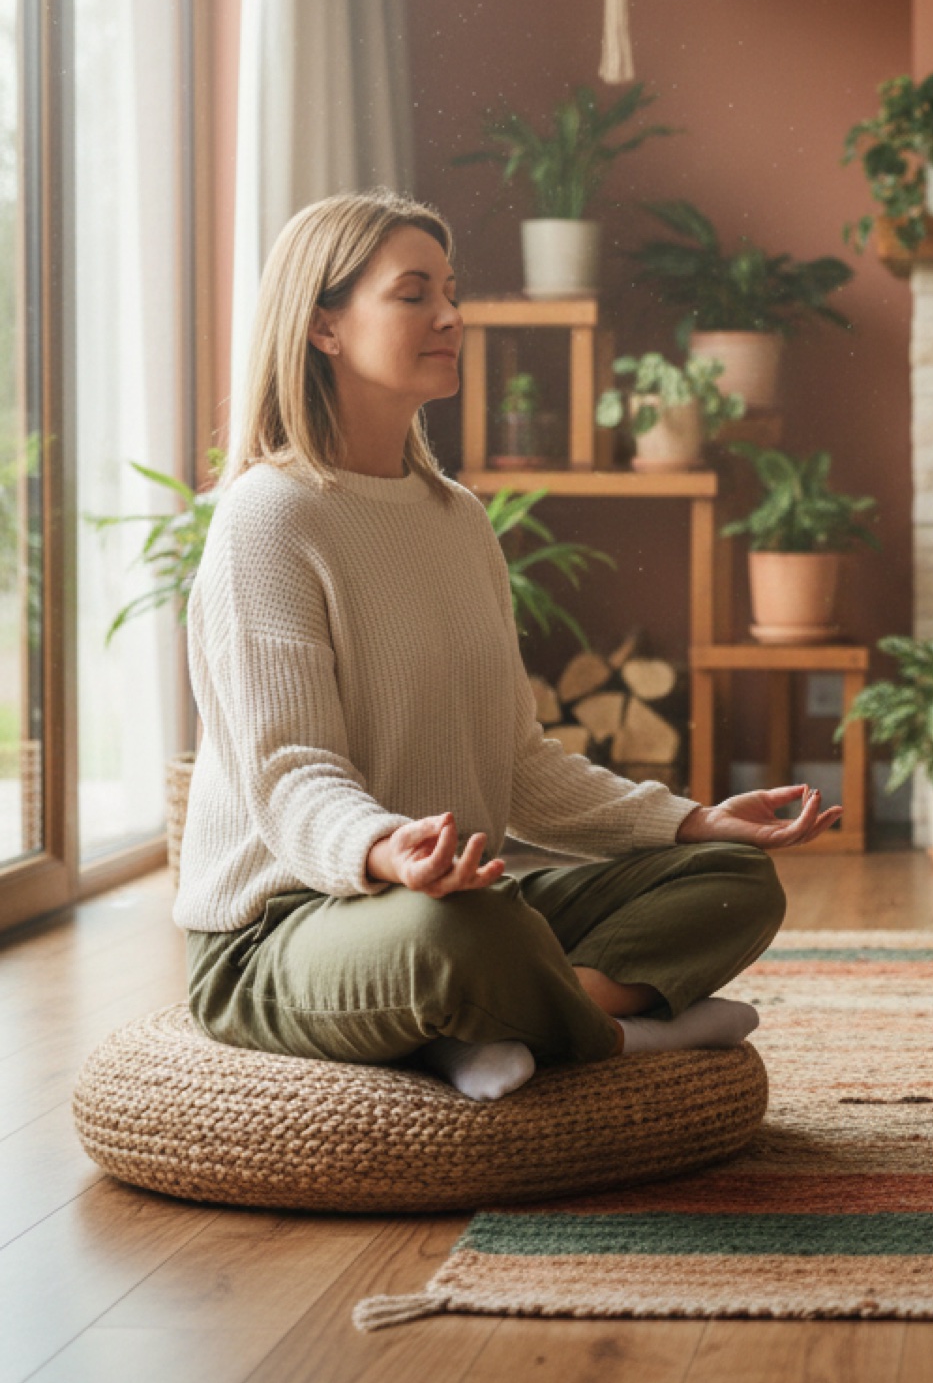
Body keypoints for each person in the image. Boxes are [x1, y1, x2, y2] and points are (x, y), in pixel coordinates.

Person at [175, 190, 838, 1099]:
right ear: (324, 325)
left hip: (460, 900)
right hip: (286, 928)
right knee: (458, 935)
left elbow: (518, 765)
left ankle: (496, 1022)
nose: (452, 315)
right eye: (414, 294)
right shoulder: (268, 517)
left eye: (450, 290)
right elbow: (290, 773)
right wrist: (386, 849)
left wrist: (691, 820)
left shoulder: (458, 520)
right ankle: (622, 1035)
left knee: (732, 881)